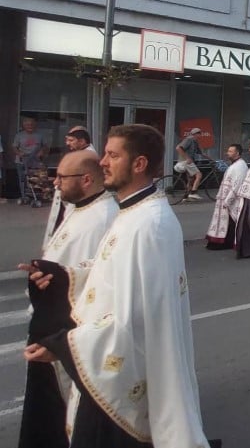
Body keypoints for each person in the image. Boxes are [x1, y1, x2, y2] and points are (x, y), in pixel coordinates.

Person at [21, 124, 214, 447]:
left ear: (138, 164)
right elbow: (111, 276)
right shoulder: (132, 211)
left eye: (112, 155)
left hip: (123, 382)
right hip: (110, 371)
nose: (102, 163)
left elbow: (134, 319)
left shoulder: (148, 224)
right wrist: (63, 276)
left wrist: (62, 346)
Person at [19, 151, 117, 448]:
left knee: (62, 405)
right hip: (50, 313)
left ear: (86, 180)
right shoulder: (78, 208)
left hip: (67, 324)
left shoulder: (103, 217)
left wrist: (60, 278)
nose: (55, 182)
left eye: (62, 176)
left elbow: (99, 279)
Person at [42, 128, 98, 248]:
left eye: (71, 140)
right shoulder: (78, 154)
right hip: (66, 202)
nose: (68, 143)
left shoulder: (88, 157)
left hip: (74, 203)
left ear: (82, 141)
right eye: (67, 140)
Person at [205, 144, 249, 250]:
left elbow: (237, 184)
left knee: (229, 223)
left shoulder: (241, 166)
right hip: (224, 198)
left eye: (230, 151)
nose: (227, 153)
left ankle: (226, 243)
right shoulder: (234, 165)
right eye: (228, 151)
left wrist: (228, 200)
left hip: (231, 200)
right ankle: (219, 242)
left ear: (237, 153)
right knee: (223, 222)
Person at [14, 117, 48, 202]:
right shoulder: (19, 135)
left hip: (35, 161)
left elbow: (45, 146)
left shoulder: (40, 135)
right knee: (22, 179)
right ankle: (24, 196)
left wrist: (42, 151)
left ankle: (38, 196)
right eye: (27, 125)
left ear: (35, 125)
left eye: (31, 124)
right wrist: (19, 153)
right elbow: (14, 147)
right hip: (22, 161)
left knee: (37, 179)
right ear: (24, 126)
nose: (30, 126)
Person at [174, 128, 205, 200]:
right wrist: (187, 158)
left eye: (200, 133)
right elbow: (178, 148)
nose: (200, 135)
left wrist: (211, 159)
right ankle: (193, 193)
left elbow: (201, 153)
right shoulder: (189, 139)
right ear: (194, 134)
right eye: (198, 133)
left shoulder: (195, 142)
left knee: (190, 179)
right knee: (199, 175)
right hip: (186, 162)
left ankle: (186, 197)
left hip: (189, 162)